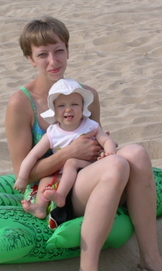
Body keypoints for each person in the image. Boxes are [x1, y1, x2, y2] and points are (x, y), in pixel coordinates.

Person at [5, 17, 162, 271]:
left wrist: (104, 151)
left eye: (58, 51)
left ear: (68, 50)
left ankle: (152, 259)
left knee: (136, 154)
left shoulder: (87, 95)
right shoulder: (21, 103)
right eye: (42, 54)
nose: (53, 61)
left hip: (85, 177)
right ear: (30, 59)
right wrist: (67, 154)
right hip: (52, 190)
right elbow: (23, 173)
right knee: (117, 165)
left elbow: (95, 142)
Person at [14, 78, 116, 220]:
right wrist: (22, 177)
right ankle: (40, 207)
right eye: (61, 105)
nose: (68, 109)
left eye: (74, 104)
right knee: (45, 180)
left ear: (83, 107)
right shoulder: (52, 133)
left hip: (87, 169)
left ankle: (60, 195)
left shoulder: (90, 126)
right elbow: (33, 155)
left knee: (71, 162)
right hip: (64, 176)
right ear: (54, 111)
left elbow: (106, 140)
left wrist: (109, 153)